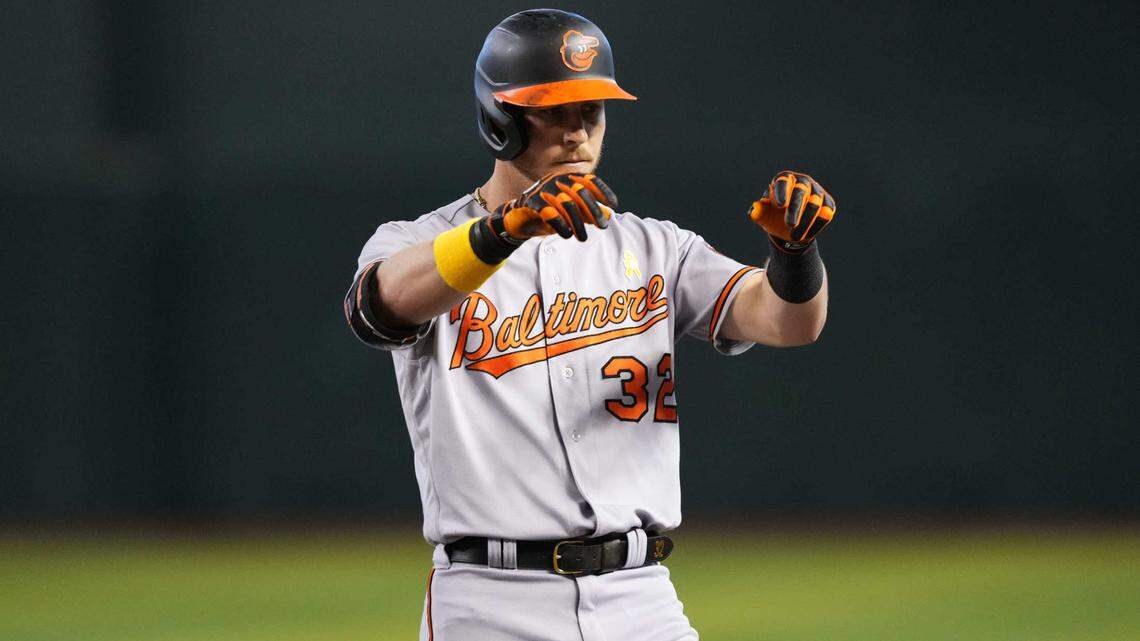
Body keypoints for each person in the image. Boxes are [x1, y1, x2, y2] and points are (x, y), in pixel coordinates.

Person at [344, 9, 837, 641]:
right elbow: (375, 308)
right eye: (555, 111)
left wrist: (795, 257)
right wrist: (503, 230)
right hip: (491, 600)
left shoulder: (657, 248)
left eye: (591, 111)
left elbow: (787, 322)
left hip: (641, 597)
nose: (578, 132)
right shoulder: (423, 243)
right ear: (500, 120)